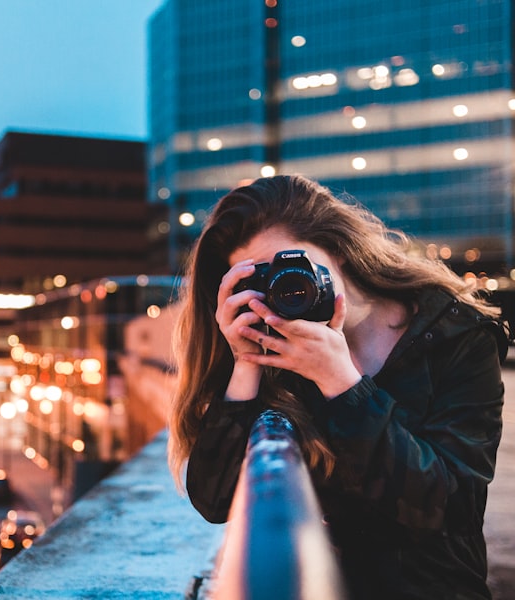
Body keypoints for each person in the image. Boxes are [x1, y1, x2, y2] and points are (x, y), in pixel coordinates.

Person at [168, 174, 508, 599]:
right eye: (261, 278)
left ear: (341, 251)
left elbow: (451, 504)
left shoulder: (457, 336)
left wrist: (341, 383)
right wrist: (245, 362)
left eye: (293, 267)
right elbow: (215, 501)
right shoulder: (273, 350)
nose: (284, 288)